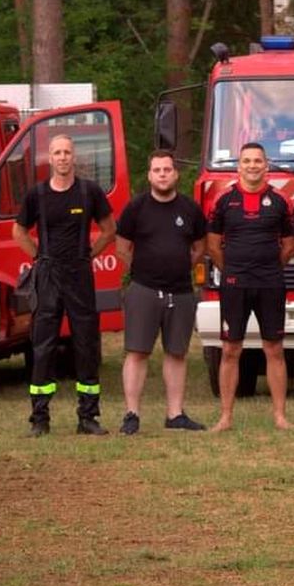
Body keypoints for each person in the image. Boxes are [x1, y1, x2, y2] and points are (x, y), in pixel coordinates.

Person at [13, 133, 116, 436]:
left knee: (86, 344)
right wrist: (40, 258)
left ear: (75, 157)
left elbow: (109, 230)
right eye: (56, 153)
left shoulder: (89, 192)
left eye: (67, 152)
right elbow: (18, 231)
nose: (62, 158)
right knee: (43, 345)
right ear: (50, 158)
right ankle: (40, 418)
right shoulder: (38, 195)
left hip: (79, 275)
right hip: (48, 276)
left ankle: (88, 416)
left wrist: (88, 255)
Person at [114, 150, 209, 435]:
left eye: (167, 169)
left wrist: (179, 267)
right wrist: (144, 271)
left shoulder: (190, 209)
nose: (163, 174)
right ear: (150, 175)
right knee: (137, 352)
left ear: (176, 173)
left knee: (176, 353)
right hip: (143, 290)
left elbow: (200, 247)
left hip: (180, 292)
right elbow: (121, 248)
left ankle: (175, 414)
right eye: (157, 170)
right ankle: (132, 414)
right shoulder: (136, 208)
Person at [206, 142, 294, 430]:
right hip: (235, 284)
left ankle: (280, 417)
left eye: (258, 161)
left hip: (270, 283)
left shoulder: (281, 200)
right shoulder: (223, 200)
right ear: (239, 166)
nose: (253, 165)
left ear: (266, 165)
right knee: (230, 350)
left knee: (274, 349)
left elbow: (290, 243)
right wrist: (231, 270)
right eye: (247, 161)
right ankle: (226, 417)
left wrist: (270, 267)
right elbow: (212, 244)